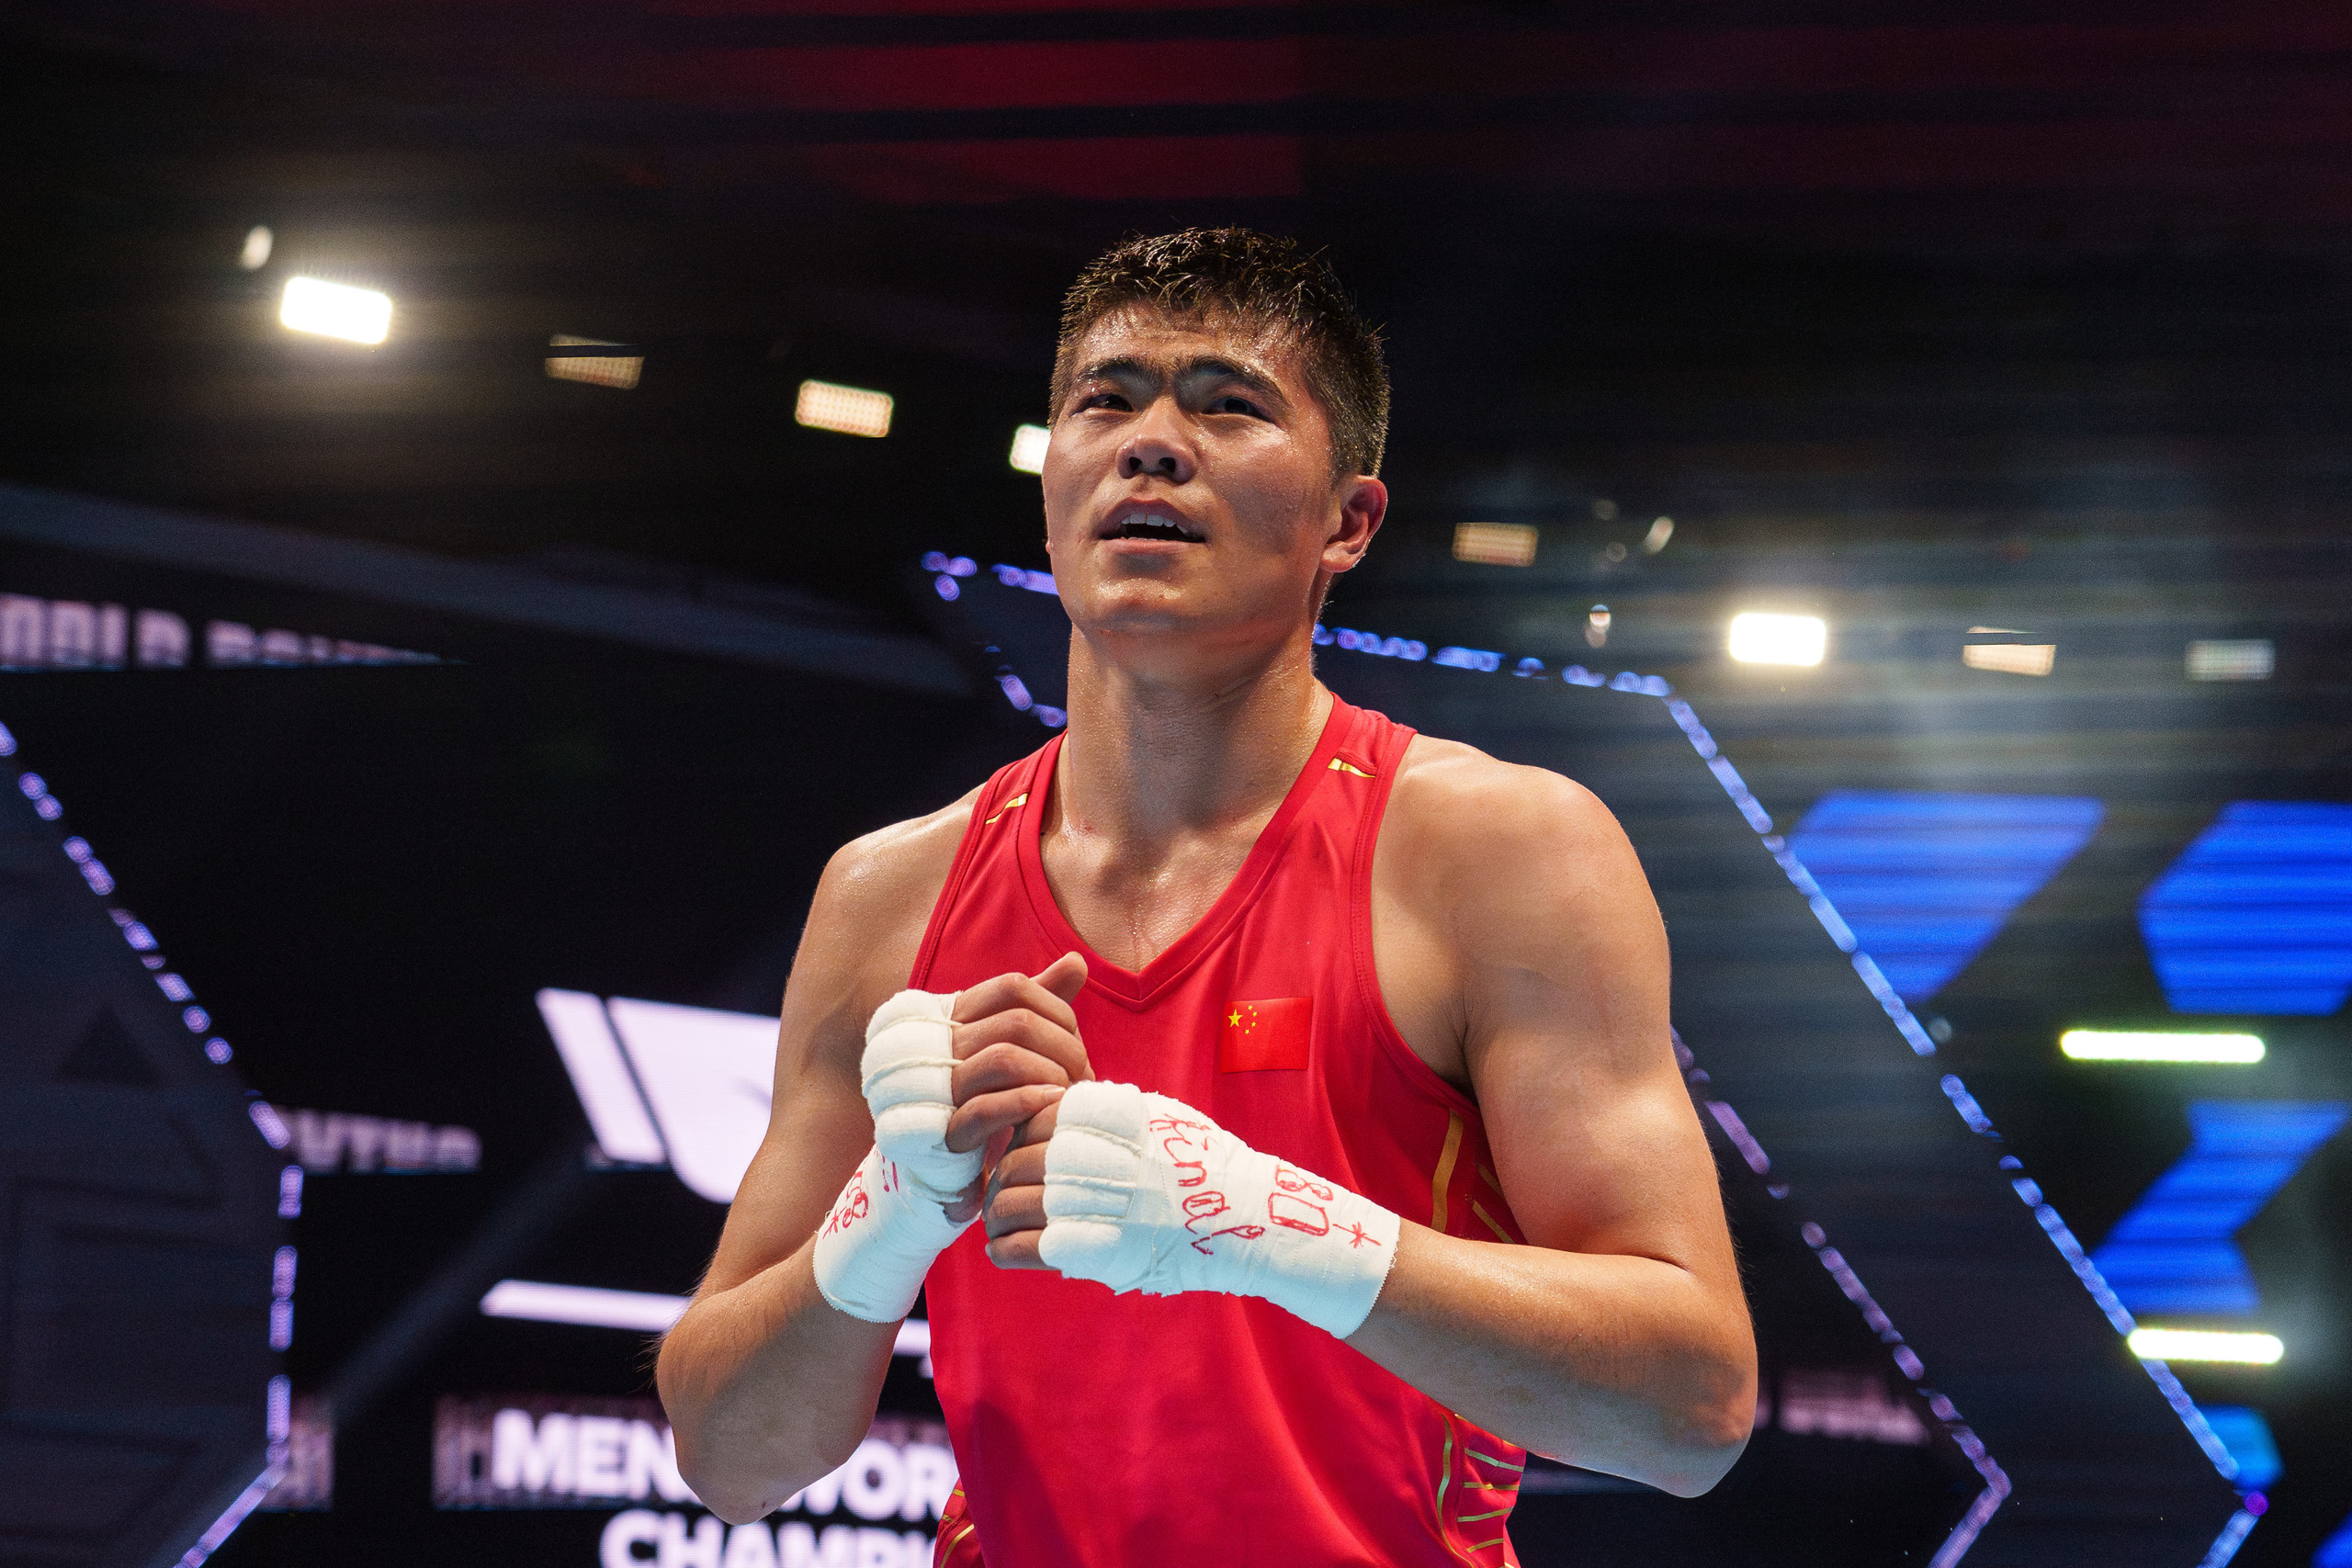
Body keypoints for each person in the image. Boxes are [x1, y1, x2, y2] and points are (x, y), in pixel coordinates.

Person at [656, 229, 1755, 1565]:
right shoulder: (892, 895)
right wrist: (890, 1209)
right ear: (1050, 485)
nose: (1152, 443)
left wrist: (1278, 1228)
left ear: (1348, 522)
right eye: (1103, 402)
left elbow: (1693, 1413)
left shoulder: (1496, 849)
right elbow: (725, 1457)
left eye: (1229, 405)